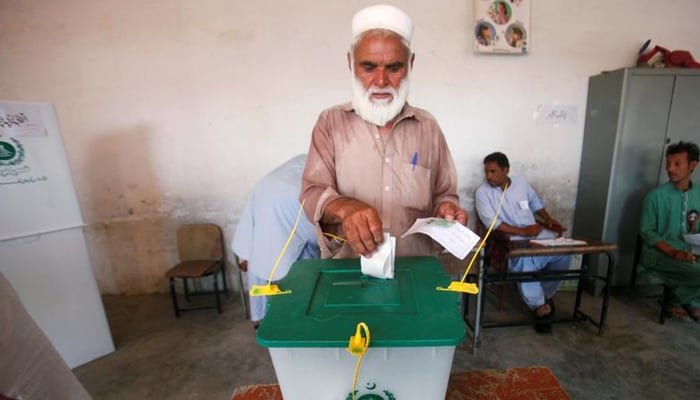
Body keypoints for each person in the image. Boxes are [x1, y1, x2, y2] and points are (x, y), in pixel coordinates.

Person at [301, 4, 467, 260]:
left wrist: (447, 209)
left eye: (393, 68)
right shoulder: (331, 123)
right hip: (350, 275)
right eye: (368, 67)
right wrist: (344, 207)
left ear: (410, 64)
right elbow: (311, 193)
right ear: (350, 63)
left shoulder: (428, 127)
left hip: (416, 273)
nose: (380, 81)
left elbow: (444, 193)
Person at [475, 152, 570, 334]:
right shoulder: (483, 193)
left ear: (506, 170)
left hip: (536, 234)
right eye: (486, 172)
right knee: (525, 260)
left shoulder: (520, 183)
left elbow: (535, 203)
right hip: (512, 239)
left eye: (493, 172)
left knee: (564, 252)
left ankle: (545, 296)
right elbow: (492, 224)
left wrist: (548, 219)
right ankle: (540, 308)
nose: (489, 176)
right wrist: (523, 232)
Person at [232, 154, 320, 324]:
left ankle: (270, 322)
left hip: (265, 237)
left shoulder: (306, 160)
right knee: (297, 294)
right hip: (288, 246)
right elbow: (322, 238)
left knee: (268, 278)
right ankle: (289, 325)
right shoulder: (308, 186)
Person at [639, 141, 700, 322]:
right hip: (660, 254)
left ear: (693, 165)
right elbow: (646, 232)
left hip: (692, 252)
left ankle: (683, 299)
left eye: (677, 164)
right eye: (668, 164)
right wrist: (674, 252)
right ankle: (680, 301)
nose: (670, 169)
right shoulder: (655, 196)